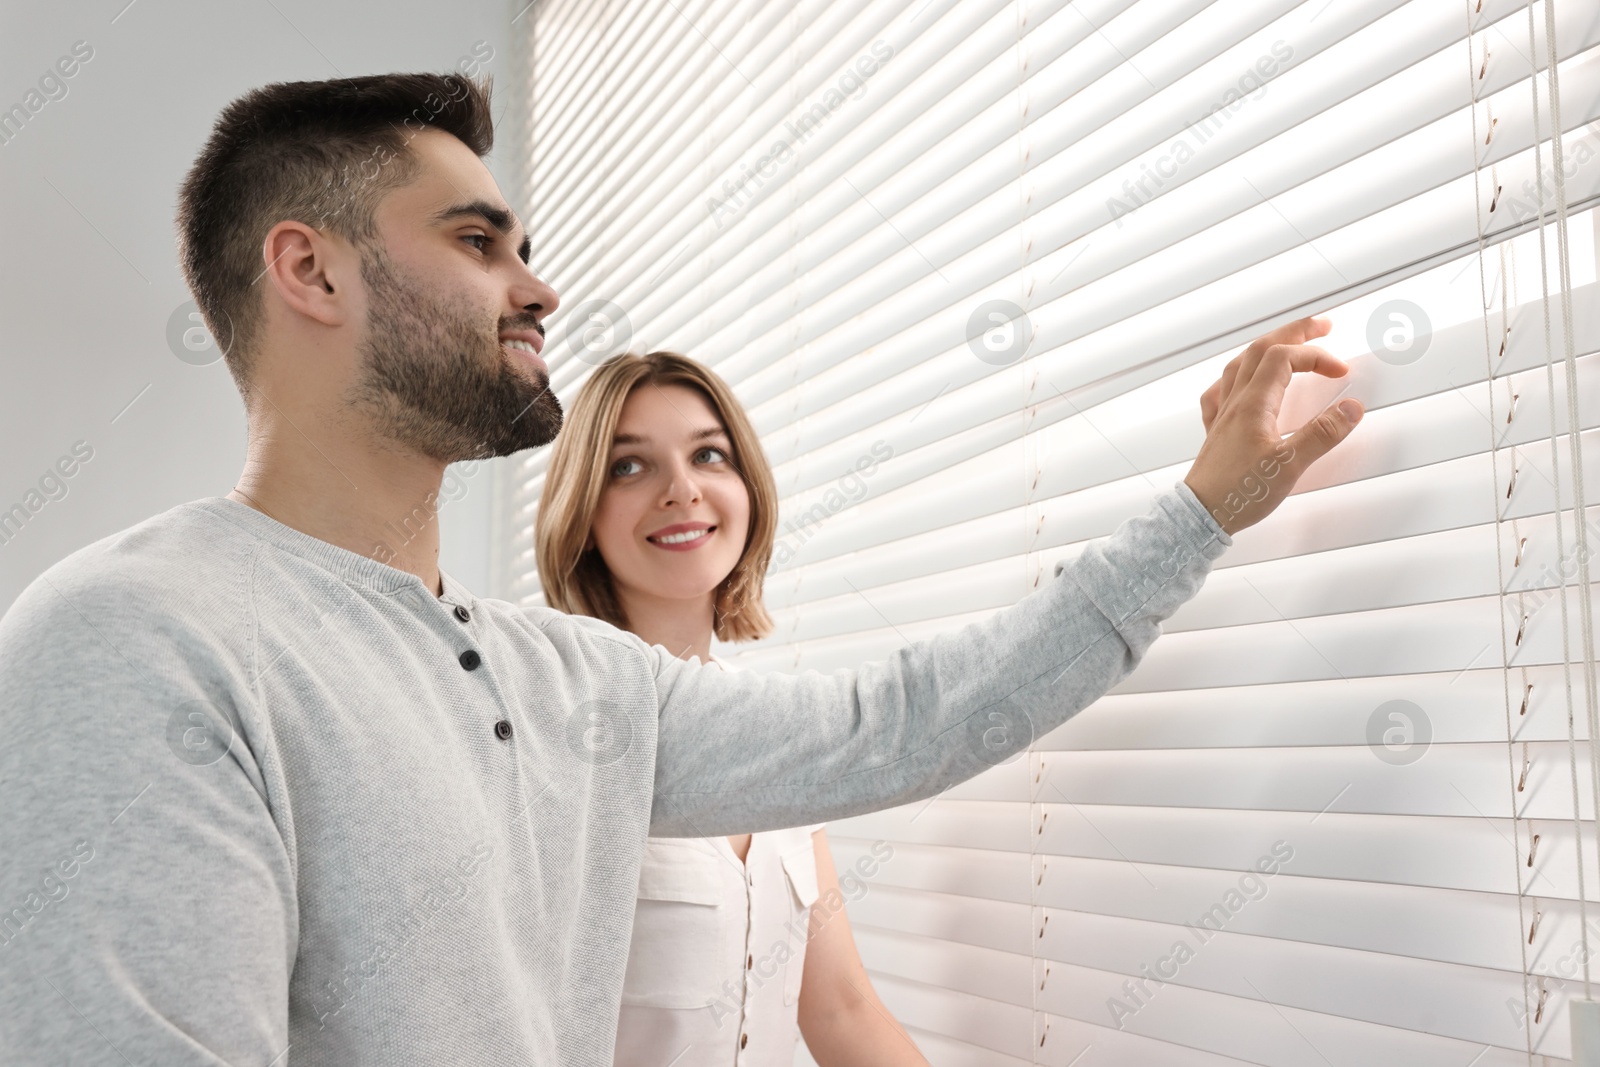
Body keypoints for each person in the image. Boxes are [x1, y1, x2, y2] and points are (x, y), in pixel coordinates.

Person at [0, 72, 1362, 1067]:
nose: (538, 291)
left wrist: (1201, 509)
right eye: (479, 242)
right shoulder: (137, 635)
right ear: (310, 269)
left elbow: (911, 716)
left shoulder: (580, 683)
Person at [537, 351, 927, 1065]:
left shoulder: (773, 729)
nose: (681, 489)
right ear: (585, 514)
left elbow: (841, 1011)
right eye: (630, 466)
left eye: (708, 455)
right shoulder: (553, 734)